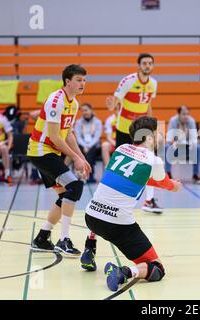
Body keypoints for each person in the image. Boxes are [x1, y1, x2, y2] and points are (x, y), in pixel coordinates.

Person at [80, 116, 182, 292]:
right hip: (117, 226)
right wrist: (174, 186)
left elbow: (137, 179)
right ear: (149, 137)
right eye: (158, 133)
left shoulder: (121, 149)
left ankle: (89, 248)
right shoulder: (154, 160)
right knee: (156, 268)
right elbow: (166, 183)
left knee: (106, 198)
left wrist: (166, 183)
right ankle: (123, 272)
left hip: (91, 217)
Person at [27, 64, 92, 256]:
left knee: (66, 194)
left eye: (84, 80)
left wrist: (81, 157)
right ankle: (64, 240)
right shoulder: (56, 100)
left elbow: (69, 134)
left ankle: (42, 237)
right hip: (41, 150)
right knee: (75, 187)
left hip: (49, 152)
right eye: (79, 80)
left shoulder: (75, 103)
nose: (83, 84)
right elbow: (55, 137)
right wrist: (74, 158)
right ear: (68, 81)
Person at [105, 53, 162, 214]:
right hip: (124, 129)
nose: (147, 66)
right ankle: (113, 199)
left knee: (150, 163)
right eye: (144, 63)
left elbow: (148, 104)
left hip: (143, 130)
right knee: (121, 165)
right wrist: (110, 106)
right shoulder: (128, 81)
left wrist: (153, 128)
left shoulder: (154, 84)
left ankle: (149, 201)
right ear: (139, 65)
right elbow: (114, 104)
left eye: (150, 63)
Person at [165, 105, 200, 184]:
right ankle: (168, 174)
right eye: (183, 114)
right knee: (167, 147)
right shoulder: (173, 121)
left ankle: (195, 175)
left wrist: (192, 143)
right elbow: (169, 138)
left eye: (187, 114)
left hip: (188, 148)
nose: (186, 116)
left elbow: (194, 138)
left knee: (198, 148)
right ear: (178, 114)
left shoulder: (191, 121)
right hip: (176, 147)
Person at [74, 103, 103, 183]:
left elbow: (97, 136)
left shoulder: (98, 122)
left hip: (94, 145)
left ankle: (90, 175)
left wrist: (89, 146)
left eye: (86, 110)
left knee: (90, 153)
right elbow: (78, 137)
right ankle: (81, 175)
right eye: (82, 111)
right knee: (79, 152)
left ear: (91, 110)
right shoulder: (79, 122)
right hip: (82, 144)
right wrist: (84, 145)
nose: (84, 112)